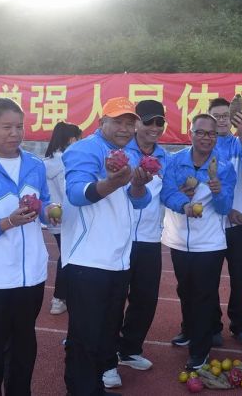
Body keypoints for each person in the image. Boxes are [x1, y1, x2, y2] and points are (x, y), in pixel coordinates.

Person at [0, 98, 60, 395]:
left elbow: (42, 203)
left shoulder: (34, 165)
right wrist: (6, 222)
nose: (15, 133)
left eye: (19, 126)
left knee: (22, 353)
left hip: (31, 276)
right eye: (6, 127)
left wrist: (50, 210)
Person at [61, 97, 153, 396]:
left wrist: (138, 186)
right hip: (88, 260)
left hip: (119, 260)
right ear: (102, 122)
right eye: (118, 122)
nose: (125, 128)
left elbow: (139, 202)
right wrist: (112, 182)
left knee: (105, 333)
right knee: (85, 335)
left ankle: (95, 385)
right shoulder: (83, 149)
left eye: (130, 123)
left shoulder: (131, 154)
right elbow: (76, 194)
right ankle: (79, 389)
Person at [102, 100, 170, 388]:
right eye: (148, 122)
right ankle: (105, 362)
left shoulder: (167, 158)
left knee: (145, 299)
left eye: (159, 123)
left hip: (151, 239)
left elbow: (171, 195)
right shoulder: (118, 153)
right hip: (120, 237)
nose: (154, 128)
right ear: (135, 124)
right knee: (113, 301)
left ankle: (129, 349)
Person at [161, 113, 236, 370]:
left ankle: (200, 351)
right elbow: (166, 194)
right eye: (201, 132)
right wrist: (184, 203)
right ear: (190, 133)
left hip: (209, 244)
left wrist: (218, 192)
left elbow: (226, 208)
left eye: (211, 133)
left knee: (204, 295)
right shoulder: (174, 162)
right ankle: (190, 329)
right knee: (185, 290)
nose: (206, 138)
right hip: (178, 239)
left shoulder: (224, 167)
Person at [206, 97, 242, 346]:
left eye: (226, 115)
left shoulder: (239, 143)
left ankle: (239, 324)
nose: (222, 119)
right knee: (210, 279)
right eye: (217, 116)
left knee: (241, 278)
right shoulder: (205, 148)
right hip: (212, 223)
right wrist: (227, 211)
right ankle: (213, 326)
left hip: (241, 223)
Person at [44, 121, 82, 315]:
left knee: (66, 255)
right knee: (67, 257)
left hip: (53, 217)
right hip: (66, 217)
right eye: (78, 138)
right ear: (71, 139)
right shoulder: (65, 162)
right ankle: (59, 298)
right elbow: (68, 192)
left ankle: (62, 296)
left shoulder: (47, 161)